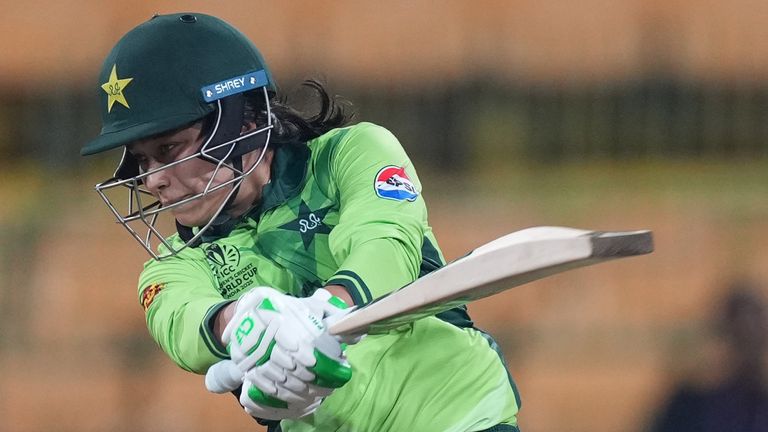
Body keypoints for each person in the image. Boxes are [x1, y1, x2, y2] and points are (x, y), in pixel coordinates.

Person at [81, 12, 521, 432]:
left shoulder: (351, 153)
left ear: (243, 121)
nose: (153, 178)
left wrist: (321, 312)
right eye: (141, 160)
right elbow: (183, 324)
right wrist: (242, 323)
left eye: (169, 149)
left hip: (461, 416)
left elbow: (386, 242)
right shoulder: (170, 266)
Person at [648, 280, 768, 432]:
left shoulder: (759, 404)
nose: (746, 352)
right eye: (738, 338)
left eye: (752, 340)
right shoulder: (688, 404)